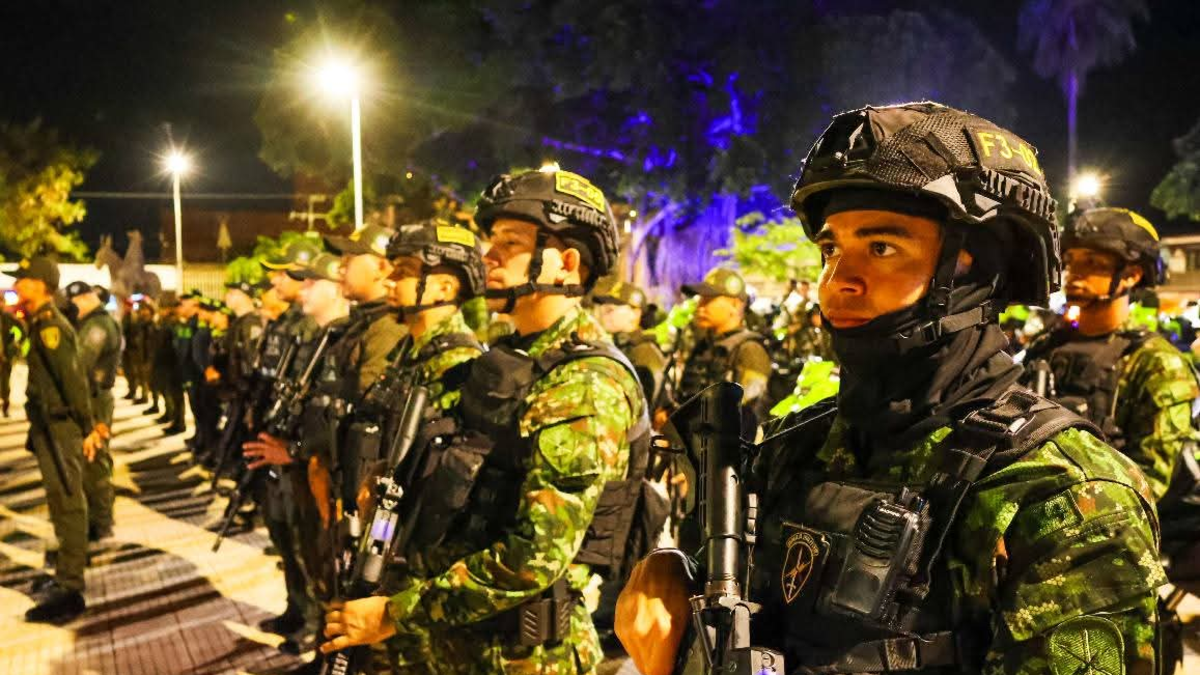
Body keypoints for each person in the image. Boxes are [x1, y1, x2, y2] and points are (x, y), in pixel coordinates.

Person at [615, 102, 1166, 675]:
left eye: (881, 248)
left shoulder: (1064, 493)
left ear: (975, 271)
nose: (837, 282)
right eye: (831, 249)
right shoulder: (795, 445)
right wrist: (674, 579)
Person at [320, 168, 651, 674]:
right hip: (466, 644)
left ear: (566, 263)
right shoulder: (513, 359)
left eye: (510, 243)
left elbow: (533, 558)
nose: (487, 256)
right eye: (491, 240)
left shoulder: (584, 383)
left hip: (526, 657)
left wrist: (394, 615)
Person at [1020, 207, 1200, 670]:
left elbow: (1152, 482)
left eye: (1094, 263)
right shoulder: (1043, 350)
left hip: (1107, 547)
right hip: (1028, 530)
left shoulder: (1155, 363)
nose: (1075, 273)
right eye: (1071, 261)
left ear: (1132, 274)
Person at [14, 257, 108, 623]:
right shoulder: (38, 323)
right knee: (58, 501)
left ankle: (70, 588)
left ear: (41, 284)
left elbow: (74, 382)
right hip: (47, 427)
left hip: (62, 428)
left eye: (23, 279)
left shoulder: (52, 327)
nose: (17, 285)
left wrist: (88, 428)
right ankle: (64, 573)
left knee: (69, 502)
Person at [65, 281, 121, 542]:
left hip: (95, 400)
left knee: (94, 461)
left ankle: (100, 520)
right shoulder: (94, 322)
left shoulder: (97, 325)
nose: (73, 308)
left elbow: (80, 364)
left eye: (75, 303)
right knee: (92, 460)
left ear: (86, 298)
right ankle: (99, 516)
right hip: (94, 397)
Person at [676, 267, 771, 418]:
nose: (700, 307)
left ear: (735, 305)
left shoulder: (750, 350)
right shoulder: (704, 345)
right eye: (700, 299)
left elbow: (747, 413)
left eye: (708, 300)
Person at [592, 277, 671, 415]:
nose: (604, 314)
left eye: (611, 309)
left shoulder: (645, 353)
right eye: (603, 307)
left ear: (635, 313)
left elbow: (643, 408)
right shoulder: (615, 346)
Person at [0, 297, 24, 417]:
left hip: (4, 357)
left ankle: (5, 405)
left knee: (5, 383)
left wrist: (13, 345)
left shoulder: (8, 318)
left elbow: (20, 331)